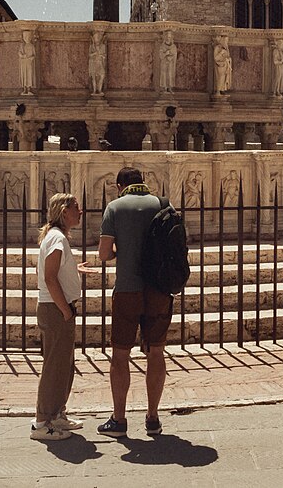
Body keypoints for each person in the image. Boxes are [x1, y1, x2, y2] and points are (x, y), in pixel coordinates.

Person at [97, 167, 173, 438]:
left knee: (120, 355)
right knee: (156, 352)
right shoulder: (163, 204)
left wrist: (123, 248)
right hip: (158, 290)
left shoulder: (115, 207)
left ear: (120, 186)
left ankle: (119, 419)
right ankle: (152, 417)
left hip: (128, 289)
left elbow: (104, 253)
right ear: (144, 182)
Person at [32, 193, 91, 441]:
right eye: (77, 207)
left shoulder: (55, 237)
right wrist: (66, 310)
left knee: (64, 365)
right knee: (54, 367)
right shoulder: (56, 238)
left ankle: (57, 414)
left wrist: (73, 269)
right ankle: (42, 423)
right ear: (64, 210)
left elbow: (54, 269)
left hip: (58, 308)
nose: (81, 212)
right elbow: (49, 277)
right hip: (56, 309)